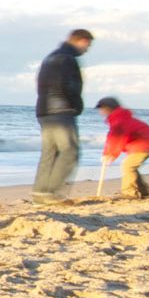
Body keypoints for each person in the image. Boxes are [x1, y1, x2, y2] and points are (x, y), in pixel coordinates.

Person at [31, 29, 92, 205]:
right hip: (61, 111)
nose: (87, 49)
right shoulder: (67, 58)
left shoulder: (51, 57)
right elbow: (69, 86)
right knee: (69, 151)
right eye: (87, 45)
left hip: (44, 110)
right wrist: (76, 105)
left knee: (50, 153)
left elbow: (41, 84)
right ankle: (50, 192)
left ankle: (40, 192)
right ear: (81, 41)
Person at [98, 97, 149, 198]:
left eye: (102, 108)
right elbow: (111, 137)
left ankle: (129, 193)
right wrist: (106, 153)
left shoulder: (120, 120)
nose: (101, 111)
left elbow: (121, 138)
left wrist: (112, 154)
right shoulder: (118, 118)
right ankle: (144, 191)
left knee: (128, 166)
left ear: (108, 108)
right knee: (131, 167)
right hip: (141, 143)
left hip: (145, 143)